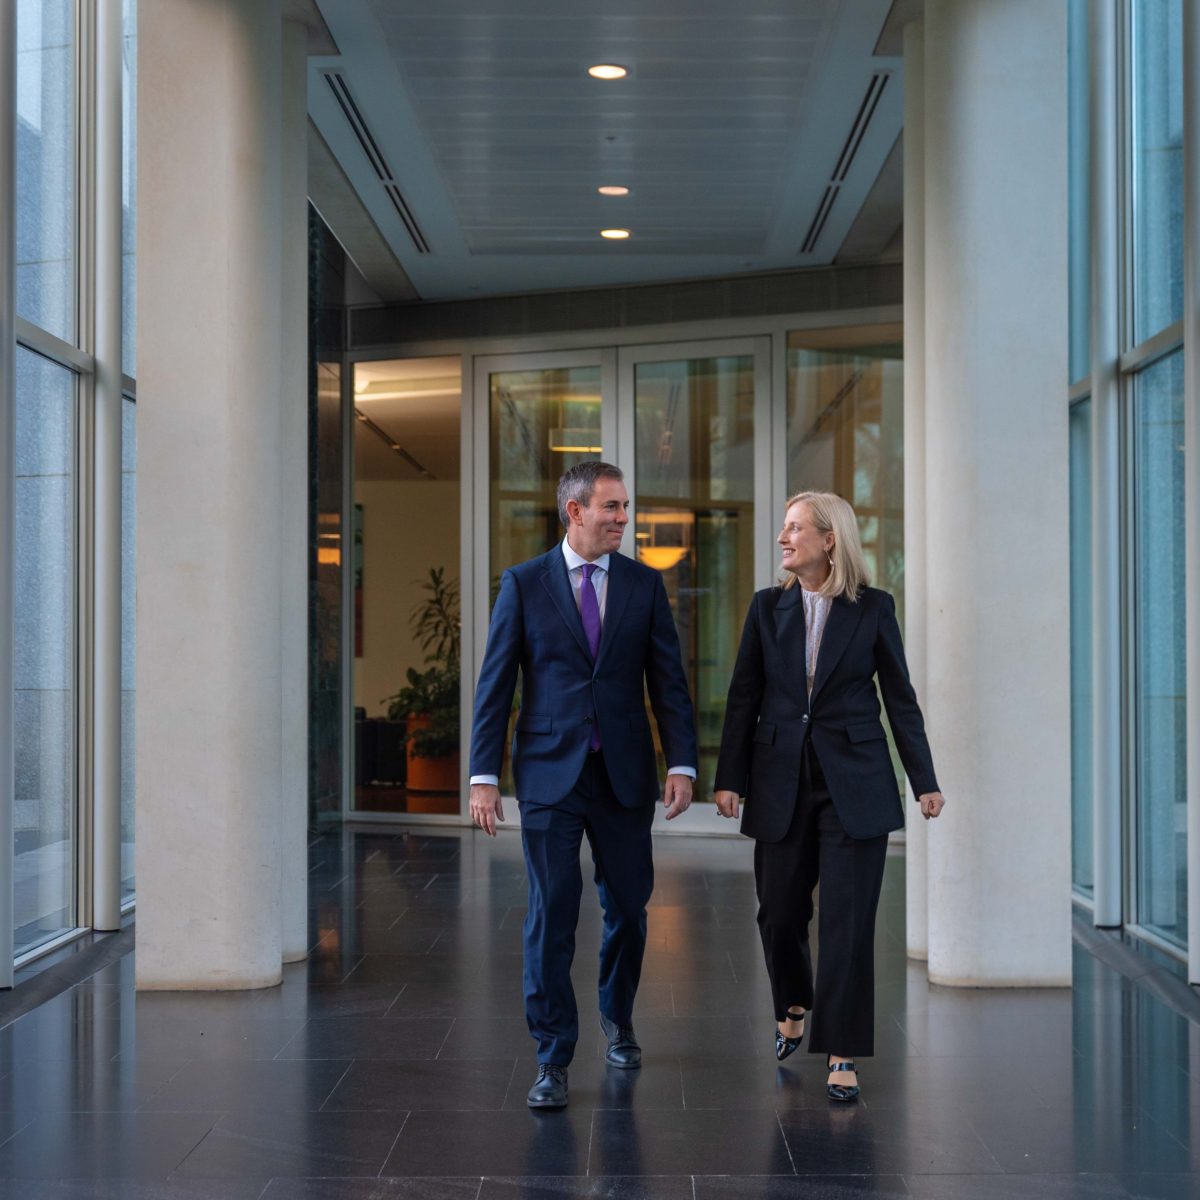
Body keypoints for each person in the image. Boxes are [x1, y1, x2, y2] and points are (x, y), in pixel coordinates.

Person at [469, 461, 698, 1110]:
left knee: (628, 906)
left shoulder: (643, 586)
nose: (623, 518)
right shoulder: (523, 584)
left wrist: (681, 762)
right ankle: (552, 1056)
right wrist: (483, 777)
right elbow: (496, 687)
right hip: (548, 773)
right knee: (554, 909)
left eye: (625, 507)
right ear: (574, 512)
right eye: (612, 508)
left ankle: (618, 1016)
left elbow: (669, 683)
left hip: (623, 773)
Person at [713, 491, 944, 1102]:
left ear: (829, 540)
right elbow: (744, 698)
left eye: (795, 528)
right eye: (784, 528)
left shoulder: (873, 609)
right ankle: (792, 1001)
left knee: (847, 923)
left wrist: (924, 779)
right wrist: (729, 777)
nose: (784, 538)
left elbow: (900, 698)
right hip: (780, 781)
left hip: (856, 782)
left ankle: (842, 1052)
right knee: (780, 912)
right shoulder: (767, 609)